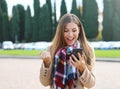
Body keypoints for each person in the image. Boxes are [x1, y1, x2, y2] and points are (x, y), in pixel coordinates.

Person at [39, 13, 95, 89]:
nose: (70, 35)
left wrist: (82, 68)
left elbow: (90, 85)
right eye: (66, 31)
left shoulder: (87, 50)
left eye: (74, 30)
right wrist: (47, 63)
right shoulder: (51, 50)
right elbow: (44, 83)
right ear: (60, 32)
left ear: (79, 30)